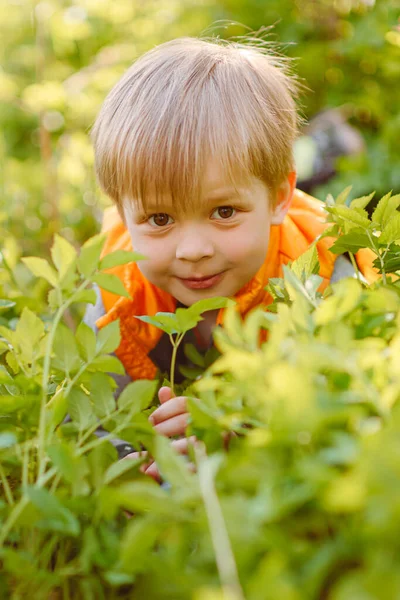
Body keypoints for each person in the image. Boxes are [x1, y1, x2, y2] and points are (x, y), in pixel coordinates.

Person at [85, 37, 377, 480]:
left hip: (286, 236)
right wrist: (129, 468)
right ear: (123, 214)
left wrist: (242, 432)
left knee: (314, 177)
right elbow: (92, 428)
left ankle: (328, 145)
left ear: (279, 196)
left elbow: (350, 412)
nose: (193, 249)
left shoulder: (323, 275)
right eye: (159, 218)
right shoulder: (114, 294)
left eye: (224, 212)